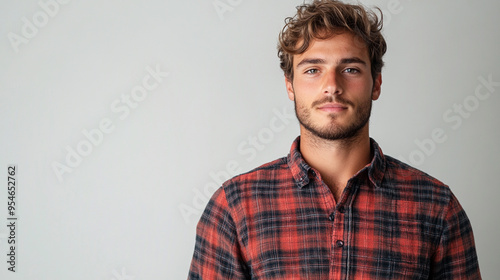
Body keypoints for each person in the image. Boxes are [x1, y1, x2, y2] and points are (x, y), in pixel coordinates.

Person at [188, 0, 481, 279]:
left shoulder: (436, 207)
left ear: (376, 83)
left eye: (350, 69)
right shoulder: (235, 207)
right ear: (290, 85)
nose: (332, 86)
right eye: (313, 70)